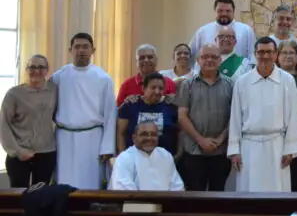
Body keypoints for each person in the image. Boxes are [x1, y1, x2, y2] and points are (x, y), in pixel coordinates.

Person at [228, 37, 297, 192]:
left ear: (275, 54)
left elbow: (294, 116)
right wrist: (234, 150)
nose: (265, 56)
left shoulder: (287, 80)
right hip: (249, 147)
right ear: (255, 54)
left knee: (277, 192)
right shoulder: (242, 82)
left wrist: (290, 149)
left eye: (269, 52)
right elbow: (235, 117)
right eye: (261, 52)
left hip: (277, 146)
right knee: (249, 191)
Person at [51, 33, 116, 189]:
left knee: (90, 182)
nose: (81, 50)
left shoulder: (103, 78)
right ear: (70, 50)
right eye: (77, 47)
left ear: (93, 50)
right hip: (64, 138)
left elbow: (110, 114)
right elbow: (48, 107)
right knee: (63, 181)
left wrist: (107, 147)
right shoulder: (59, 77)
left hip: (92, 139)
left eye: (85, 47)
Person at [176, 43, 233, 191]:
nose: (209, 60)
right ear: (198, 60)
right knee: (195, 197)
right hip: (194, 150)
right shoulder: (187, 85)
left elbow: (235, 117)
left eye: (214, 57)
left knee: (218, 195)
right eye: (205, 57)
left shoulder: (231, 85)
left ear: (220, 60)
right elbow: (182, 116)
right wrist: (201, 140)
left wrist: (220, 139)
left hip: (221, 151)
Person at [1, 55, 58, 188]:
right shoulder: (14, 94)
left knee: (41, 196)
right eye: (32, 67)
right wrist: (17, 151)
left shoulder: (54, 90)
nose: (36, 71)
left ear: (47, 70)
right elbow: (3, 125)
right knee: (19, 197)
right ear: (26, 69)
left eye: (41, 67)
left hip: (46, 152)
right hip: (20, 154)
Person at [109, 121, 185, 191]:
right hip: (136, 204)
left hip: (167, 203)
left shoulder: (165, 155)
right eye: (144, 134)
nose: (149, 138)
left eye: (153, 134)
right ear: (134, 138)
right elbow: (124, 191)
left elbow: (177, 186)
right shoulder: (124, 158)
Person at [117, 72, 179, 155]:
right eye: (153, 88)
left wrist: (179, 153)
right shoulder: (129, 105)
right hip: (134, 159)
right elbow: (120, 133)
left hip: (164, 160)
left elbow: (180, 132)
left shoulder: (171, 107)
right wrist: (122, 155)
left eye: (160, 88)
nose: (157, 91)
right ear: (144, 88)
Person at [277, 40, 297, 191]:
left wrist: (296, 125)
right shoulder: (272, 78)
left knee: (296, 173)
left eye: (292, 53)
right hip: (276, 134)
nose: (288, 56)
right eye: (284, 52)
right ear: (277, 56)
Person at [189, 0, 255, 65]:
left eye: (228, 11)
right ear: (215, 11)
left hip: (239, 73)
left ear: (233, 11)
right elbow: (191, 56)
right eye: (220, 11)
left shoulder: (246, 30)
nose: (224, 13)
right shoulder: (202, 32)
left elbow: (253, 57)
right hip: (209, 74)